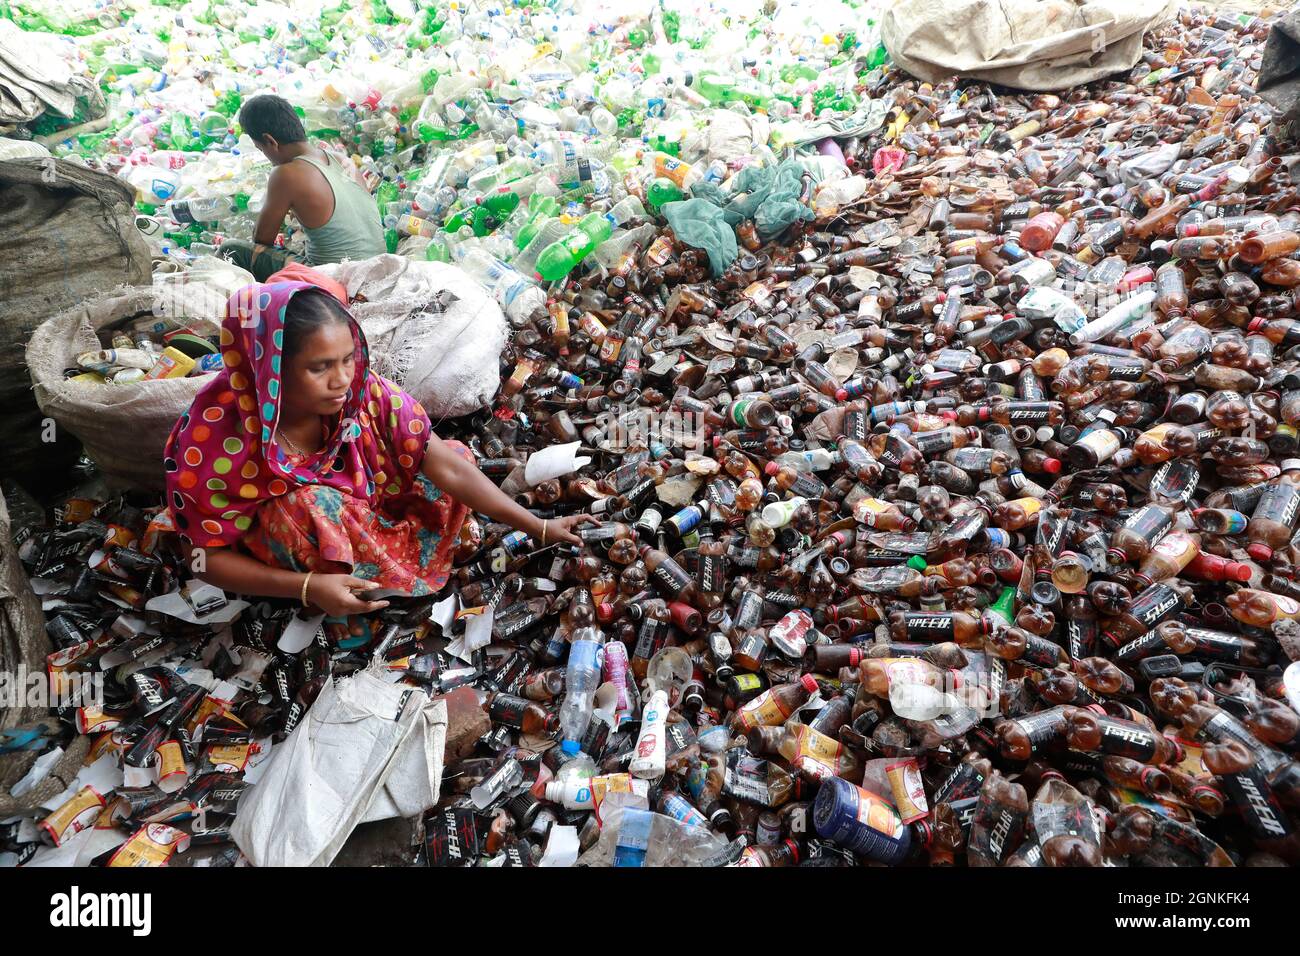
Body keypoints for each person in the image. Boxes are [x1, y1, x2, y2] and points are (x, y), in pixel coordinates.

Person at [163, 277, 592, 622]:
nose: (341, 379)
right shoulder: (215, 442)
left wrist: (538, 527)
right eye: (320, 367)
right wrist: (308, 587)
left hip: (367, 503)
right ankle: (343, 592)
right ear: (268, 368)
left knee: (455, 454)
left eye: (348, 359)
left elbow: (448, 467)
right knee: (305, 506)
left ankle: (390, 570)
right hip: (297, 550)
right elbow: (201, 559)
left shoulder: (362, 393)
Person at [218, 94, 387, 281]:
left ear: (271, 141)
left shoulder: (286, 173)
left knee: (231, 250)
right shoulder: (340, 159)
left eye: (261, 149)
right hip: (378, 269)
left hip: (334, 279)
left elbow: (262, 239)